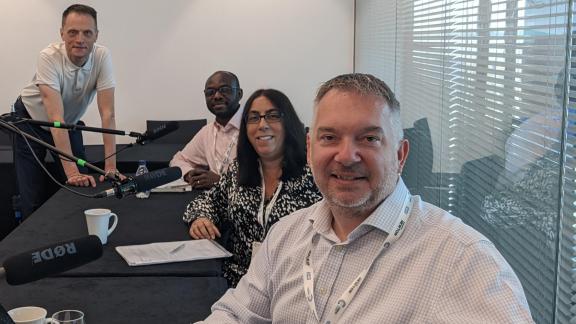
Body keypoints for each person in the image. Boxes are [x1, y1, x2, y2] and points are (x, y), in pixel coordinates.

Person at [197, 74, 533, 323]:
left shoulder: (463, 261)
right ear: (312, 148)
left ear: (400, 155)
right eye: (330, 137)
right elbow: (236, 313)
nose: (346, 156)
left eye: (369, 138)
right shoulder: (287, 235)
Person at [184, 89, 322, 287]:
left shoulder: (314, 175)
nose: (262, 125)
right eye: (253, 118)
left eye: (273, 116)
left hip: (295, 285)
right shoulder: (239, 169)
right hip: (238, 283)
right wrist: (200, 218)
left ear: (288, 122)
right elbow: (210, 200)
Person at [13, 4, 119, 218]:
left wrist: (111, 166)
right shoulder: (48, 56)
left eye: (87, 33)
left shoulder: (102, 56)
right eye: (73, 32)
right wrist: (71, 172)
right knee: (31, 195)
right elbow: (55, 118)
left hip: (68, 124)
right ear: (62, 33)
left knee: (84, 186)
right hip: (30, 122)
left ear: (96, 35)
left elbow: (107, 114)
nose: (80, 39)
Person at [170, 71, 243, 190]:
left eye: (224, 90)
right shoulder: (207, 132)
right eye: (210, 92)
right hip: (214, 202)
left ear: (239, 94)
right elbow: (178, 160)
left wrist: (221, 181)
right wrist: (190, 174)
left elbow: (267, 177)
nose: (217, 96)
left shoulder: (255, 127)